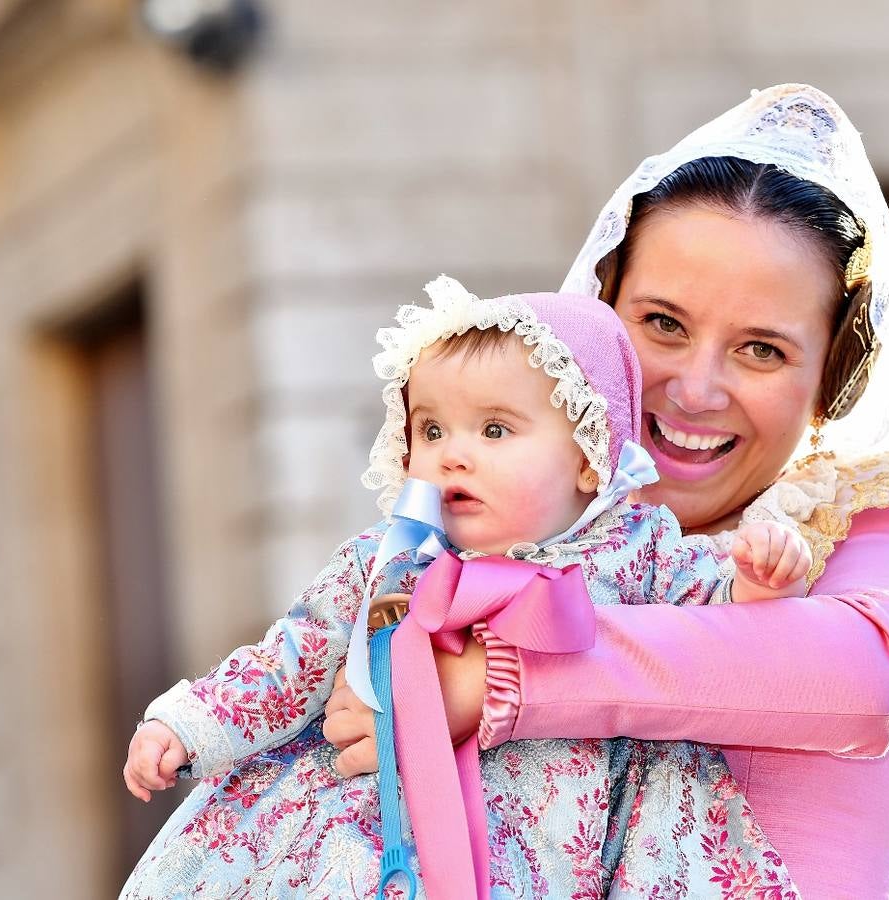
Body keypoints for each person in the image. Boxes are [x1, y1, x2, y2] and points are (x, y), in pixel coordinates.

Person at [325, 83, 889, 898]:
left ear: (830, 381)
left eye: (761, 349)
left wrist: (500, 681)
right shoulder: (511, 520)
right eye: (662, 324)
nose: (695, 390)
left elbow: (865, 678)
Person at [120, 278, 812, 898]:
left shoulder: (637, 553)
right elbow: (286, 663)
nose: (453, 452)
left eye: (494, 429)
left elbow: (714, 645)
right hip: (387, 826)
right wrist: (184, 727)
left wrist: (756, 580)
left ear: (587, 458)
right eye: (430, 428)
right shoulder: (391, 563)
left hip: (576, 835)